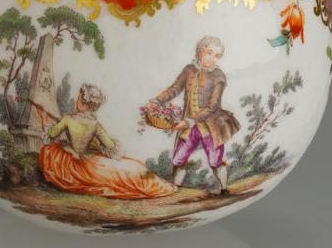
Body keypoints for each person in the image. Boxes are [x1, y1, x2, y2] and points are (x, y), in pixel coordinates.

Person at [39, 83, 177, 199]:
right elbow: (111, 145)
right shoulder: (95, 124)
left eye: (79, 99)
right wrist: (98, 146)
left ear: (84, 104)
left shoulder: (68, 119)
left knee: (49, 151)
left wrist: (44, 119)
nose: (76, 101)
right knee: (130, 168)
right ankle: (154, 182)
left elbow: (51, 134)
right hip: (87, 160)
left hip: (73, 163)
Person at [147, 36, 241, 195]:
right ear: (200, 51)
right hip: (190, 128)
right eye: (209, 53)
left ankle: (224, 188)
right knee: (178, 158)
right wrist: (157, 101)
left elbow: (213, 106)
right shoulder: (189, 70)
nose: (212, 58)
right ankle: (175, 189)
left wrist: (189, 121)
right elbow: (174, 89)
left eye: (217, 55)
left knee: (215, 159)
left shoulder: (218, 76)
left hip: (210, 126)